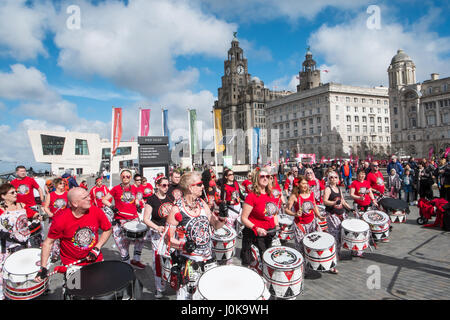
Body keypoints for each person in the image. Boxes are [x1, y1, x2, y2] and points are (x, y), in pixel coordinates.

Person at [35, 188, 112, 288]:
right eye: (85, 197)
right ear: (75, 203)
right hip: (73, 265)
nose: (90, 198)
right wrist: (43, 267)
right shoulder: (60, 220)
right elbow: (48, 243)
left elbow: (108, 229)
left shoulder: (95, 211)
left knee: (98, 290)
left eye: (88, 195)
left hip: (95, 260)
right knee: (76, 292)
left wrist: (97, 247)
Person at [166, 171, 226, 300]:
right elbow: (168, 240)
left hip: (208, 260)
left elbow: (215, 225)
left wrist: (222, 217)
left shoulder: (202, 203)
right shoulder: (177, 209)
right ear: (190, 187)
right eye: (199, 184)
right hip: (189, 263)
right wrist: (184, 245)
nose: (203, 187)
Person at [102, 169, 146, 269]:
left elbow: (136, 200)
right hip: (120, 219)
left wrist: (138, 205)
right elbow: (104, 199)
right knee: (122, 244)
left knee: (141, 239)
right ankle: (127, 266)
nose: (125, 178)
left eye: (128, 176)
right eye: (123, 176)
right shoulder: (116, 189)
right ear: (120, 177)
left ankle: (136, 260)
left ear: (131, 178)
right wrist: (112, 206)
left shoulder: (135, 188)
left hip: (133, 218)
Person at [0, 183, 36, 300]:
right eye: (12, 193)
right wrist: (8, 235)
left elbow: (34, 215)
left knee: (25, 269)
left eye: (16, 192)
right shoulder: (1, 210)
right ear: (3, 196)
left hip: (25, 244)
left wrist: (37, 217)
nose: (16, 194)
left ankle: (26, 292)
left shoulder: (22, 205)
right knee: (6, 272)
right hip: (8, 245)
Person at [240, 168, 279, 272]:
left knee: (270, 264)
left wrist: (277, 224)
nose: (265, 178)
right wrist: (256, 228)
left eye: (267, 176)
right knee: (256, 268)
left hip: (270, 234)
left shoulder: (271, 195)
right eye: (262, 176)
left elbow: (273, 212)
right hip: (255, 236)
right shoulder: (251, 196)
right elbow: (243, 218)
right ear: (256, 179)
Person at [143, 174, 174, 299]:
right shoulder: (151, 200)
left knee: (172, 260)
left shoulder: (170, 198)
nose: (166, 187)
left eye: (168, 185)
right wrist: (157, 228)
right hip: (158, 235)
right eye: (164, 185)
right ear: (157, 186)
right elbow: (145, 219)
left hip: (171, 233)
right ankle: (159, 288)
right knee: (157, 262)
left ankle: (173, 282)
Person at [284, 176, 323, 256]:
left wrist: (319, 215)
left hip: (312, 222)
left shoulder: (311, 194)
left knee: (316, 243)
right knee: (301, 247)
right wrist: (295, 214)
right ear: (298, 184)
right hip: (300, 225)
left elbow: (314, 205)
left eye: (306, 183)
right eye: (303, 183)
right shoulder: (294, 196)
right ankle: (302, 264)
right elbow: (286, 210)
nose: (305, 185)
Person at [323, 171, 353, 274]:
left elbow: (343, 201)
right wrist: (334, 203)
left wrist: (350, 209)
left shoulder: (339, 188)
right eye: (331, 177)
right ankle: (332, 263)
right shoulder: (328, 189)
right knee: (334, 238)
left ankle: (336, 255)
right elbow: (325, 201)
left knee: (340, 236)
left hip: (341, 214)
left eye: (335, 177)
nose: (333, 179)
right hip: (332, 215)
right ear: (328, 178)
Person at [42, 178, 68, 262]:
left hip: (65, 220)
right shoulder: (51, 195)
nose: (63, 185)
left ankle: (66, 254)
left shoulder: (67, 194)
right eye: (61, 183)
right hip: (54, 220)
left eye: (64, 183)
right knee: (54, 239)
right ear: (56, 185)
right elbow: (45, 207)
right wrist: (49, 213)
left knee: (65, 238)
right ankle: (55, 254)